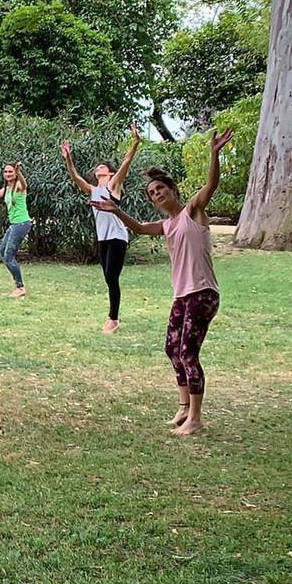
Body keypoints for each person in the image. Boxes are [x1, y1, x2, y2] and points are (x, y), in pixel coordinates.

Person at [93, 129, 233, 437]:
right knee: (172, 348)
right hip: (183, 295)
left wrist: (214, 154)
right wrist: (116, 211)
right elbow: (141, 229)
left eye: (160, 190)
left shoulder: (193, 212)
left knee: (188, 352)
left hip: (203, 293)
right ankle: (184, 409)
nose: (157, 195)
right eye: (152, 194)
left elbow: (211, 185)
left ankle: (196, 418)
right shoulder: (167, 225)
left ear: (173, 190)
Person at [62, 124, 142, 333]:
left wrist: (135, 142)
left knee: (112, 278)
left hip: (117, 236)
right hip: (103, 238)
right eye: (97, 167)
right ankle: (113, 316)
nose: (98, 168)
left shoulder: (113, 185)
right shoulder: (93, 189)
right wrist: (68, 158)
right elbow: (75, 176)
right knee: (108, 277)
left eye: (102, 166)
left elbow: (126, 162)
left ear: (110, 172)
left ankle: (113, 319)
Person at [0, 162, 31, 297]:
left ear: (15, 174)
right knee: (3, 252)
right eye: (6, 172)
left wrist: (19, 171)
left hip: (22, 224)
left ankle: (20, 287)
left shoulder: (19, 187)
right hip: (14, 225)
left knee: (9, 256)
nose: (8, 174)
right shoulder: (7, 189)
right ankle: (18, 286)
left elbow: (24, 184)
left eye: (10, 172)